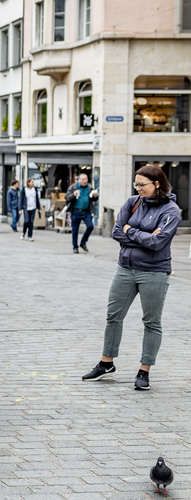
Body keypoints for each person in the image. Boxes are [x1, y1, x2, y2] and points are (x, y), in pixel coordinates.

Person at [81, 165, 180, 390]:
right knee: (113, 316)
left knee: (151, 322)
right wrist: (141, 235)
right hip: (125, 268)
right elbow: (116, 232)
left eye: (142, 184)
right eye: (136, 184)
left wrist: (130, 231)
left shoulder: (171, 211)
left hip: (154, 272)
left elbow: (158, 243)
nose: (138, 188)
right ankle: (107, 363)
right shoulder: (132, 203)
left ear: (157, 184)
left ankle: (144, 371)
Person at [66, 173, 99, 253]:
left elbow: (93, 199)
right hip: (76, 211)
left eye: (86, 179)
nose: (85, 181)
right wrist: (73, 195)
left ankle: (83, 242)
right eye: (83, 179)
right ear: (79, 180)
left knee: (90, 226)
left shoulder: (89, 187)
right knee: (75, 230)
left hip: (86, 211)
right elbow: (67, 197)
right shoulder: (74, 187)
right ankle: (75, 247)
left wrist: (95, 197)